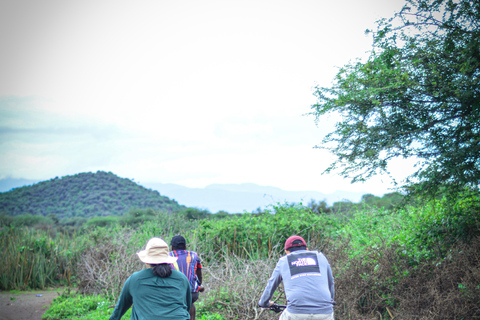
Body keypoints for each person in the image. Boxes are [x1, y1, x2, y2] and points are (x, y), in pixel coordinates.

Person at [110, 237, 191, 320]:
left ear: (147, 261)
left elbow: (120, 309)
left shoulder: (135, 280)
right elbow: (187, 306)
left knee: (136, 310)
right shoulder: (182, 278)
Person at [258, 235, 335, 320]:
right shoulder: (320, 257)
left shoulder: (284, 260)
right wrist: (329, 301)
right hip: (325, 313)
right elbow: (331, 283)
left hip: (296, 313)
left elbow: (271, 285)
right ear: (307, 249)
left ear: (287, 252)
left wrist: (264, 303)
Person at [170, 235, 203, 320]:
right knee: (190, 302)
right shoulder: (194, 255)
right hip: (193, 293)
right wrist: (199, 285)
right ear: (185, 247)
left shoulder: (168, 256)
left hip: (175, 293)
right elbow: (199, 272)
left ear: (171, 247)